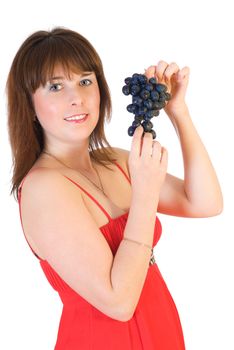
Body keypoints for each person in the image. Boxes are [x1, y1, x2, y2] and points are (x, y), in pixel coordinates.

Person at [6, 26, 223, 349]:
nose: (76, 98)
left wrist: (179, 112)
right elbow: (118, 303)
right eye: (55, 87)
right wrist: (145, 195)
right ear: (30, 105)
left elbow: (205, 202)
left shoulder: (115, 161)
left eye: (85, 81)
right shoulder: (43, 189)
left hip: (162, 334)